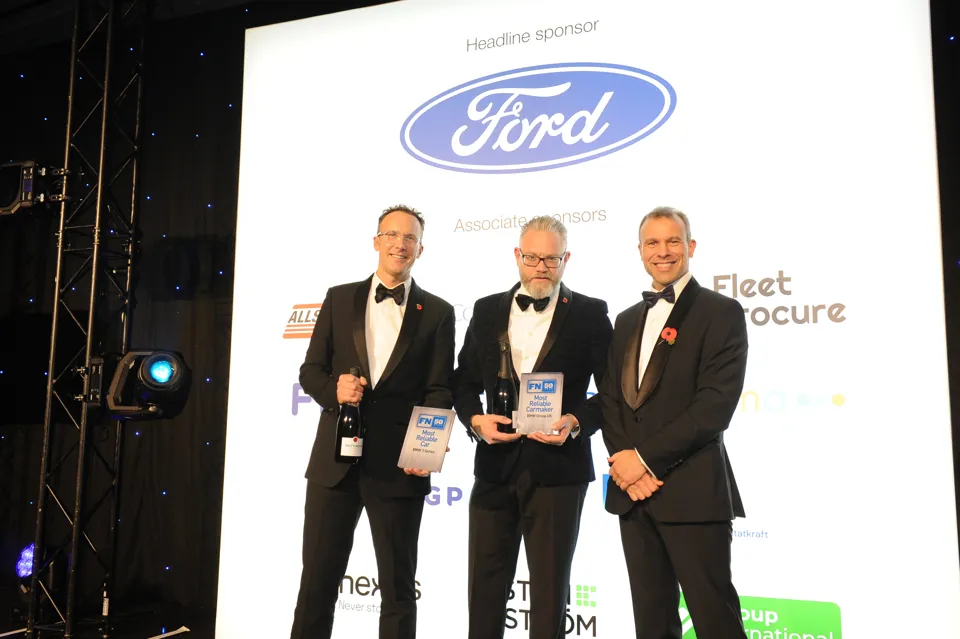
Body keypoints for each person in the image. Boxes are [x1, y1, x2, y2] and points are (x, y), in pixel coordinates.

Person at [291, 205, 455, 639]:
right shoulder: (339, 297)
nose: (400, 244)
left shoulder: (438, 312)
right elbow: (310, 371)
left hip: (400, 468)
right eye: (392, 235)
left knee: (399, 590)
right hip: (334, 467)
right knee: (317, 583)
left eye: (410, 238)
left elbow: (439, 391)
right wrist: (334, 391)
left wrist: (427, 450)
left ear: (421, 248)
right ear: (376, 241)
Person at [453, 215, 613, 639]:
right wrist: (474, 420)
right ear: (517, 256)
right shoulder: (487, 309)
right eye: (532, 257)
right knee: (484, 591)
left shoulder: (591, 313)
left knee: (549, 595)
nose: (541, 266)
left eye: (551, 258)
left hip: (559, 471)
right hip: (494, 467)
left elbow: (612, 392)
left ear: (566, 259)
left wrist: (577, 422)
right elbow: (462, 381)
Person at [599, 206, 748, 639]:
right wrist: (625, 464)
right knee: (652, 625)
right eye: (652, 243)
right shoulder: (626, 319)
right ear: (640, 250)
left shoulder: (721, 311)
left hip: (693, 494)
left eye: (672, 242)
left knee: (715, 621)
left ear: (691, 247)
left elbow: (714, 407)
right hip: (633, 497)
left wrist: (643, 460)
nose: (662, 252)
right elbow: (611, 399)